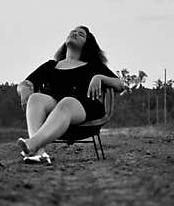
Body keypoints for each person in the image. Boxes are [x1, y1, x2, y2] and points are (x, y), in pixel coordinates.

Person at [16, 25, 125, 164]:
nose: (75, 33)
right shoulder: (50, 66)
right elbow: (25, 83)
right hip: (55, 112)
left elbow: (120, 85)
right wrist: (24, 90)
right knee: (36, 98)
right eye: (73, 32)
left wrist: (100, 77)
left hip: (84, 109)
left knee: (67, 102)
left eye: (81, 34)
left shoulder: (93, 65)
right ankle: (38, 153)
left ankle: (32, 144)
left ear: (87, 44)